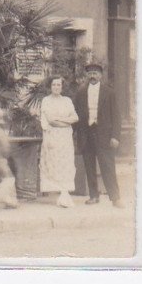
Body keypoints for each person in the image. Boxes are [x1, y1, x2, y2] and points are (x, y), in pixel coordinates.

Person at [73, 62, 124, 208]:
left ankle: (115, 198)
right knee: (89, 166)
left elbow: (117, 116)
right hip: (86, 134)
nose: (92, 76)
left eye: (95, 73)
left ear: (100, 76)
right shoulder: (80, 93)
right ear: (86, 76)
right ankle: (94, 196)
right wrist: (72, 134)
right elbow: (75, 115)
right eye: (89, 73)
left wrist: (115, 136)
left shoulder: (109, 92)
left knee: (108, 166)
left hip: (105, 135)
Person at [39, 76, 80, 208]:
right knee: (54, 163)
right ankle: (60, 192)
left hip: (65, 138)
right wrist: (64, 122)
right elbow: (50, 121)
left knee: (66, 163)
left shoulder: (67, 100)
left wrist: (59, 120)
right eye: (54, 85)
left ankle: (65, 193)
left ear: (62, 87)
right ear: (50, 86)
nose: (56, 87)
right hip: (53, 137)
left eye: (58, 85)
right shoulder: (46, 101)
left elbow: (75, 118)